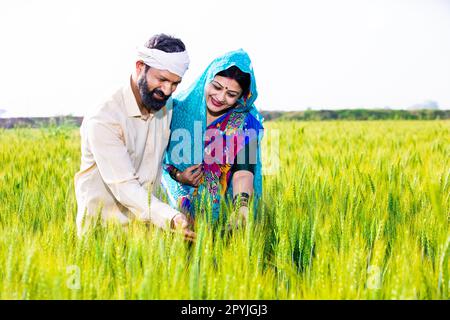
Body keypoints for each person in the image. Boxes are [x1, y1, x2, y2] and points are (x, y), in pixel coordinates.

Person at [74, 34, 195, 240]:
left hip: (146, 237)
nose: (167, 90)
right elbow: (124, 186)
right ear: (140, 66)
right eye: (162, 79)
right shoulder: (105, 117)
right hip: (102, 237)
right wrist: (171, 217)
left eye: (175, 83)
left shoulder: (165, 105)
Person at [162, 49, 264, 226]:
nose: (220, 97)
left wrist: (241, 208)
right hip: (173, 213)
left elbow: (243, 172)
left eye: (231, 94)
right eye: (216, 87)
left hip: (221, 218)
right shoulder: (175, 111)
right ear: (206, 79)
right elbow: (156, 158)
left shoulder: (244, 123)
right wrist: (179, 176)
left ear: (242, 97)